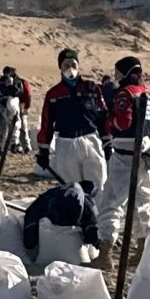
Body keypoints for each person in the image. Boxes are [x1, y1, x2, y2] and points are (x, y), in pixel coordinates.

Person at [96, 56, 150, 250]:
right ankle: (143, 247)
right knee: (142, 204)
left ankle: (105, 249)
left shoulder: (124, 94)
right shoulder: (146, 94)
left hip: (125, 154)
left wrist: (109, 119)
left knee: (112, 202)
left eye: (117, 72)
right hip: (144, 153)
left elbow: (123, 122)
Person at [36, 48, 108, 194]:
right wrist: (44, 150)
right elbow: (47, 123)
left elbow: (103, 116)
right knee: (72, 189)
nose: (70, 69)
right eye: (66, 65)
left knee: (98, 185)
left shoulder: (92, 89)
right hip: (66, 144)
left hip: (90, 140)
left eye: (73, 65)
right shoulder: (54, 94)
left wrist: (107, 142)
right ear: (60, 68)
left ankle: (97, 215)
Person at [21, 181, 99, 258]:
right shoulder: (86, 200)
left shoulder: (53, 193)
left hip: (45, 220)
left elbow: (31, 214)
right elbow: (91, 227)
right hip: (67, 234)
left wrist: (29, 245)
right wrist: (96, 244)